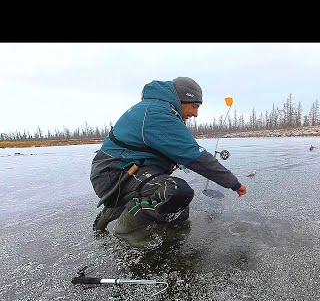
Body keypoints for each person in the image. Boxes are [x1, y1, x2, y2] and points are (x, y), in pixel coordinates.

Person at [90, 77, 247, 235]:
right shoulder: (158, 113)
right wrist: (234, 183)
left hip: (129, 170)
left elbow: (181, 152)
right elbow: (196, 157)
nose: (196, 113)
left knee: (179, 208)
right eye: (194, 106)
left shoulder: (159, 109)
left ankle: (118, 211)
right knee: (175, 191)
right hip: (113, 174)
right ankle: (128, 231)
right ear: (182, 100)